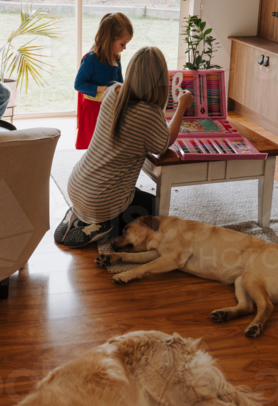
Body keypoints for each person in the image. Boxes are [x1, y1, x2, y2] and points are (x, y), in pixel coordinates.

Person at [55, 46, 194, 248]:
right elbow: (163, 144)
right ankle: (104, 226)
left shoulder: (114, 92)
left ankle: (79, 215)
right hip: (101, 200)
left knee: (125, 190)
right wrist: (181, 106)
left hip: (77, 184)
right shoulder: (150, 113)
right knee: (155, 207)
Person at [74, 12, 133, 150]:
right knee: (95, 146)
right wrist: (101, 89)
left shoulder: (116, 59)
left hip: (111, 108)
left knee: (110, 146)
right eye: (122, 44)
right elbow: (79, 84)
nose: (124, 48)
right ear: (109, 39)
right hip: (94, 110)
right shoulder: (91, 59)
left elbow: (120, 82)